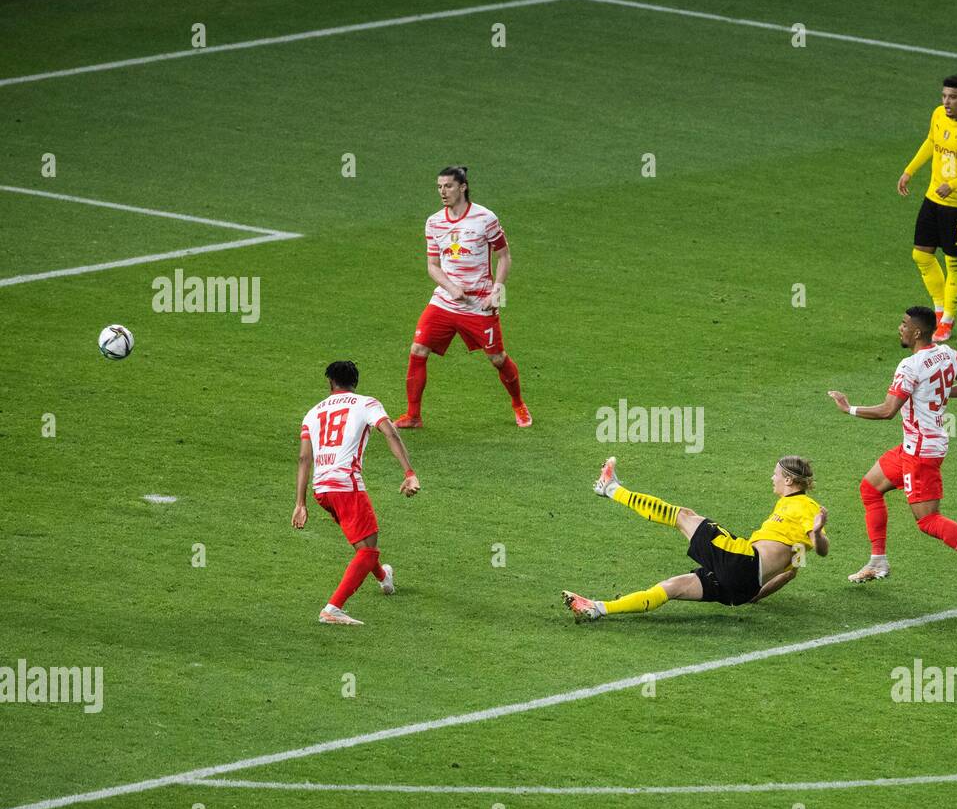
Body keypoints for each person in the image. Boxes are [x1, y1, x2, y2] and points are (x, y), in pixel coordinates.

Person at [828, 306, 957, 593]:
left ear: (918, 332)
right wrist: (936, 395)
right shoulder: (949, 354)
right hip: (920, 444)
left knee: (928, 520)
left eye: (904, 324)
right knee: (870, 487)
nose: (900, 328)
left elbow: (887, 411)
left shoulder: (909, 366)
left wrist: (849, 408)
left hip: (920, 452)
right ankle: (878, 561)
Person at [563, 456, 828, 621]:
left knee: (684, 516)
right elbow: (791, 572)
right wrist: (753, 596)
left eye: (777, 474)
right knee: (672, 587)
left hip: (744, 562)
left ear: (790, 481)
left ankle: (610, 488)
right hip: (742, 587)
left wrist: (816, 533)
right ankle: (598, 608)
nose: (772, 477)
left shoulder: (805, 507)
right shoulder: (790, 520)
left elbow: (821, 549)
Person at [396, 165, 531, 429]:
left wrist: (497, 290)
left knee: (497, 359)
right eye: (439, 187)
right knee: (418, 350)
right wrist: (450, 287)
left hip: (479, 305)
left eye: (447, 186)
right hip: (444, 302)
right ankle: (413, 415)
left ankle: (518, 404)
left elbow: (504, 256)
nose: (442, 192)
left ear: (463, 187)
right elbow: (432, 265)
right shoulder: (434, 222)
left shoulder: (485, 218)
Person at [294, 360, 420, 625]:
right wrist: (409, 473)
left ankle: (384, 578)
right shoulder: (366, 403)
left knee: (362, 543)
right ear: (356, 382)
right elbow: (391, 433)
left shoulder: (312, 413)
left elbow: (304, 459)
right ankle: (332, 609)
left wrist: (300, 504)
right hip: (346, 485)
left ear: (330, 382)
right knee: (368, 551)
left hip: (321, 490)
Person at [897, 74, 957, 343]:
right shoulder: (938, 115)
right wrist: (909, 171)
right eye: (944, 96)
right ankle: (939, 310)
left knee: (954, 263)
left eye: (952, 97)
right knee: (921, 255)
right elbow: (931, 141)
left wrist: (954, 184)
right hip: (933, 198)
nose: (947, 102)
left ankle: (947, 321)